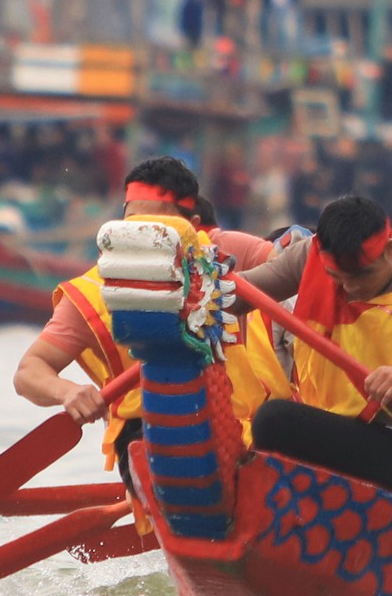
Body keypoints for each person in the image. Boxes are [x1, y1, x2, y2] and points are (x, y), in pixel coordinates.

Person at [15, 157, 280, 483]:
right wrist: (67, 391)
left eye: (158, 225)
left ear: (193, 227)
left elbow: (299, 267)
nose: (140, 234)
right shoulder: (91, 290)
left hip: (250, 430)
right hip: (147, 434)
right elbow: (29, 371)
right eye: (133, 222)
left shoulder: (223, 252)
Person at [232, 194, 392, 493]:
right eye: (337, 277)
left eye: (361, 276)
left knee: (272, 420)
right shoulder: (311, 256)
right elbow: (241, 293)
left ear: (389, 251)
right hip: (325, 420)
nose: (350, 288)